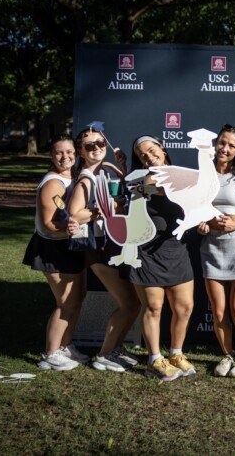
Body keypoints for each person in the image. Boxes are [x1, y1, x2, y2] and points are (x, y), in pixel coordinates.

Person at [67, 128, 141, 373]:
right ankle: (105, 354)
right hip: (99, 249)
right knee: (129, 303)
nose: (96, 147)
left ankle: (115, 349)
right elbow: (75, 214)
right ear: (80, 152)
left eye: (100, 142)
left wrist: (120, 167)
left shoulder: (104, 170)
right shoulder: (86, 178)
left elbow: (126, 191)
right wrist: (103, 210)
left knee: (132, 303)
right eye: (89, 146)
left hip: (111, 245)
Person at [125, 134, 197, 381]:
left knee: (185, 307)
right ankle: (154, 359)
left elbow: (197, 204)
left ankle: (176, 353)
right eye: (142, 155)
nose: (148, 156)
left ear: (163, 149)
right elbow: (147, 190)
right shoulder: (141, 179)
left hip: (176, 249)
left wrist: (203, 221)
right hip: (147, 250)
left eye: (152, 150)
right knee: (154, 307)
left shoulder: (184, 175)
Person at [196, 125, 235, 378]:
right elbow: (196, 210)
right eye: (222, 142)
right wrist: (202, 223)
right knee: (219, 311)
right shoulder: (203, 174)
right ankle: (226, 355)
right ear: (215, 143)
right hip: (211, 246)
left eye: (231, 145)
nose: (225, 148)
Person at [23, 135, 88, 371]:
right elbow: (50, 225)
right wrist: (72, 230)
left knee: (77, 298)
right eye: (59, 153)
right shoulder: (52, 183)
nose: (65, 157)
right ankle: (50, 354)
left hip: (70, 246)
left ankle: (65, 347)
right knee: (66, 303)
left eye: (69, 151)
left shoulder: (74, 176)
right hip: (53, 247)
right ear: (51, 156)